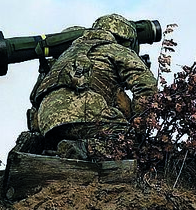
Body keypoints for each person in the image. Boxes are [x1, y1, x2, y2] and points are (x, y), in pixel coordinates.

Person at [30, 14, 157, 161]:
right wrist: (139, 127)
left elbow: (35, 97)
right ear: (126, 39)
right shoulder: (115, 49)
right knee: (130, 143)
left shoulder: (66, 53)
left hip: (48, 123)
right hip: (86, 116)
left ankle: (48, 147)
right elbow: (147, 86)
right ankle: (82, 149)